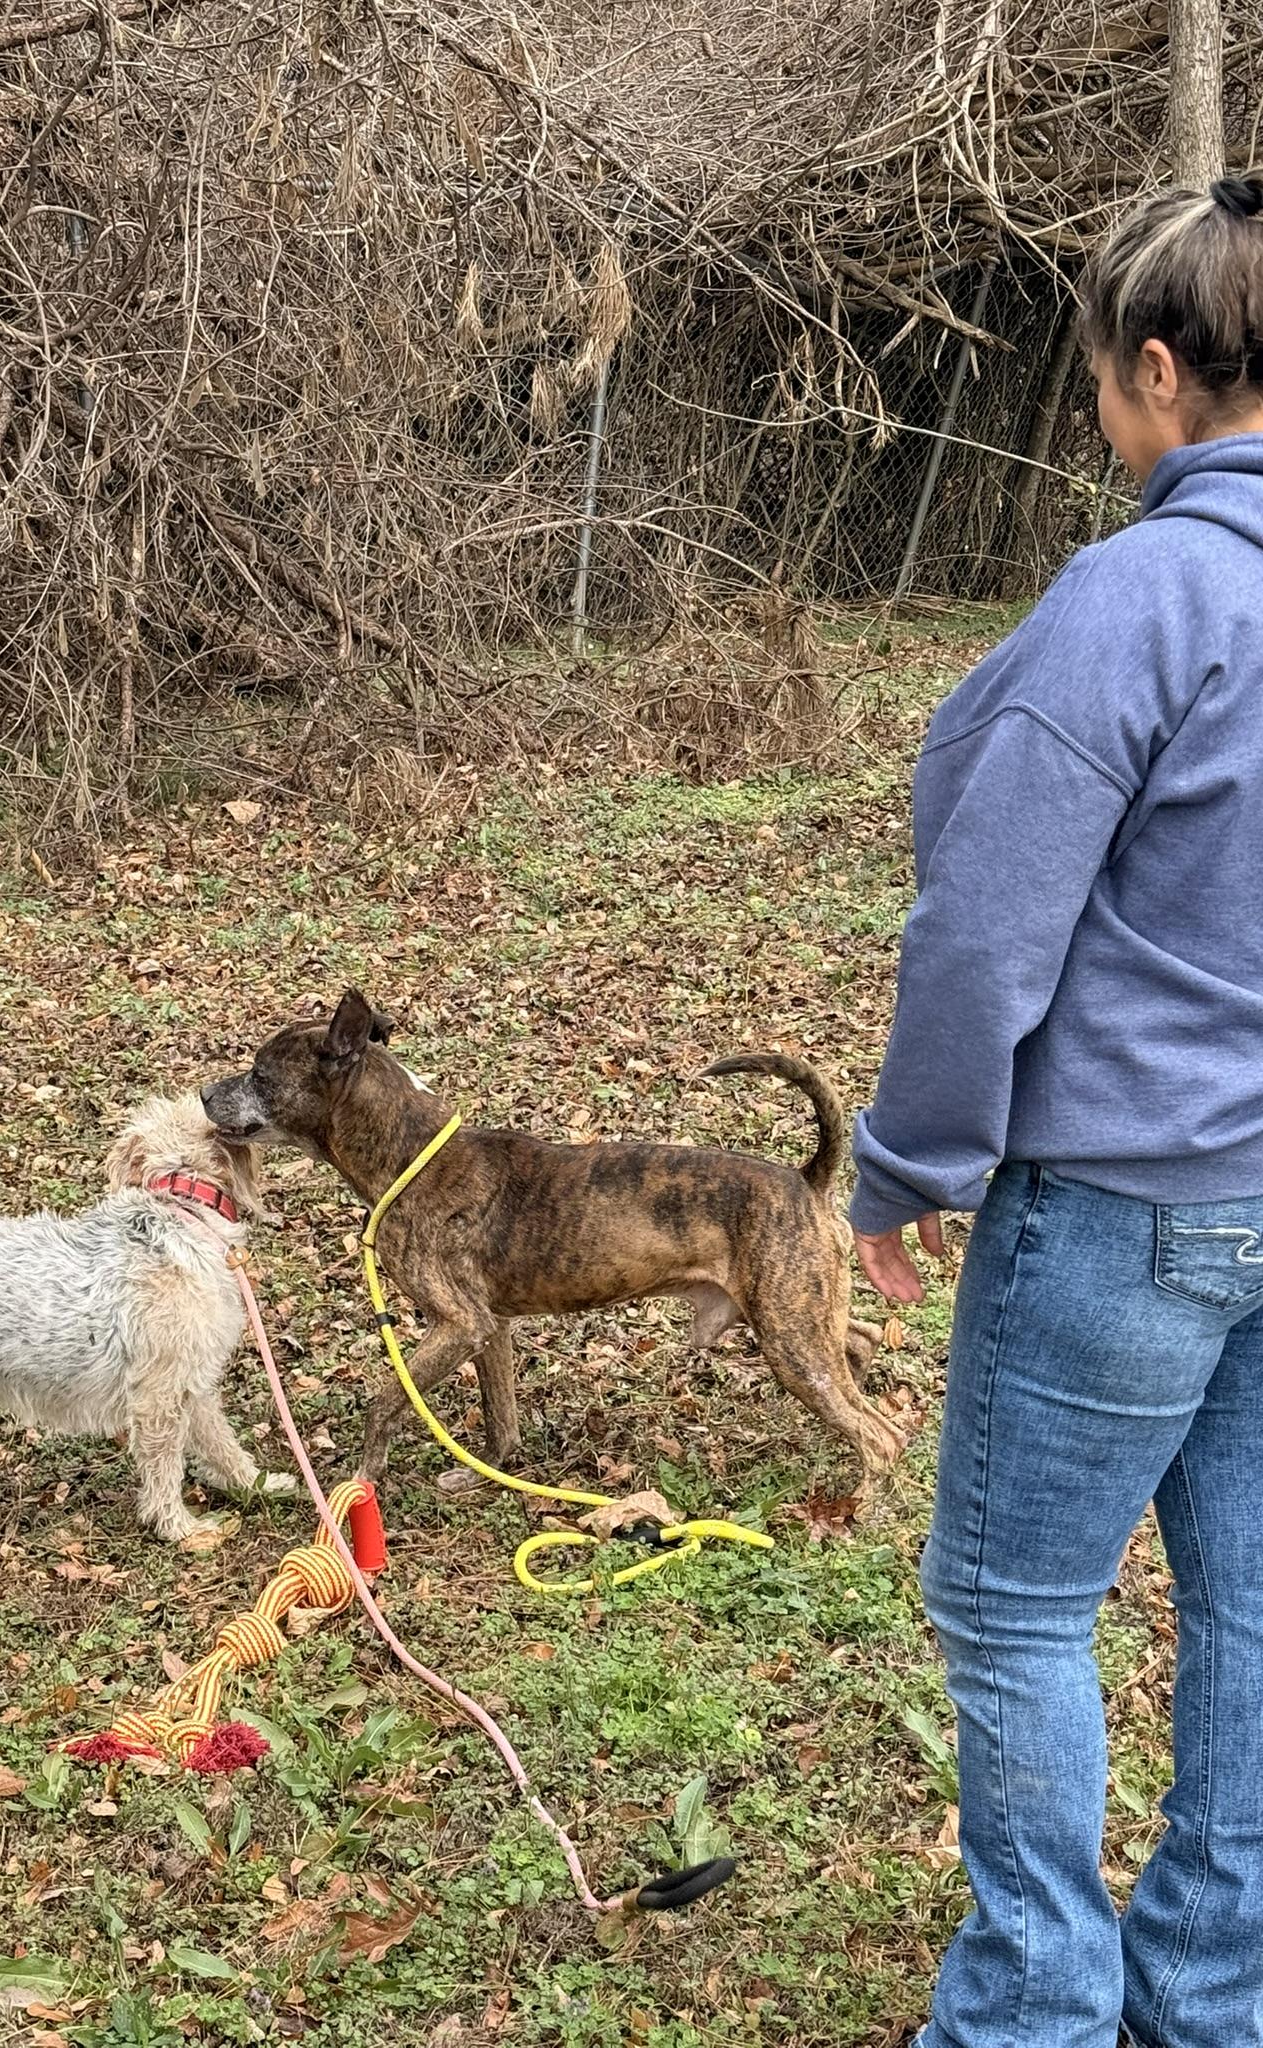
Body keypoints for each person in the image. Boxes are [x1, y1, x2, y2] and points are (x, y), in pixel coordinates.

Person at [849, 174, 1263, 2048]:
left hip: (1121, 1199)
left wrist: (908, 1161)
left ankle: (1030, 2007)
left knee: (1013, 1608)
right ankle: (1212, 1992)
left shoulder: (1146, 592)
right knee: (1248, 1619)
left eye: (1102, 379)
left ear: (1157, 373)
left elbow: (989, 918)